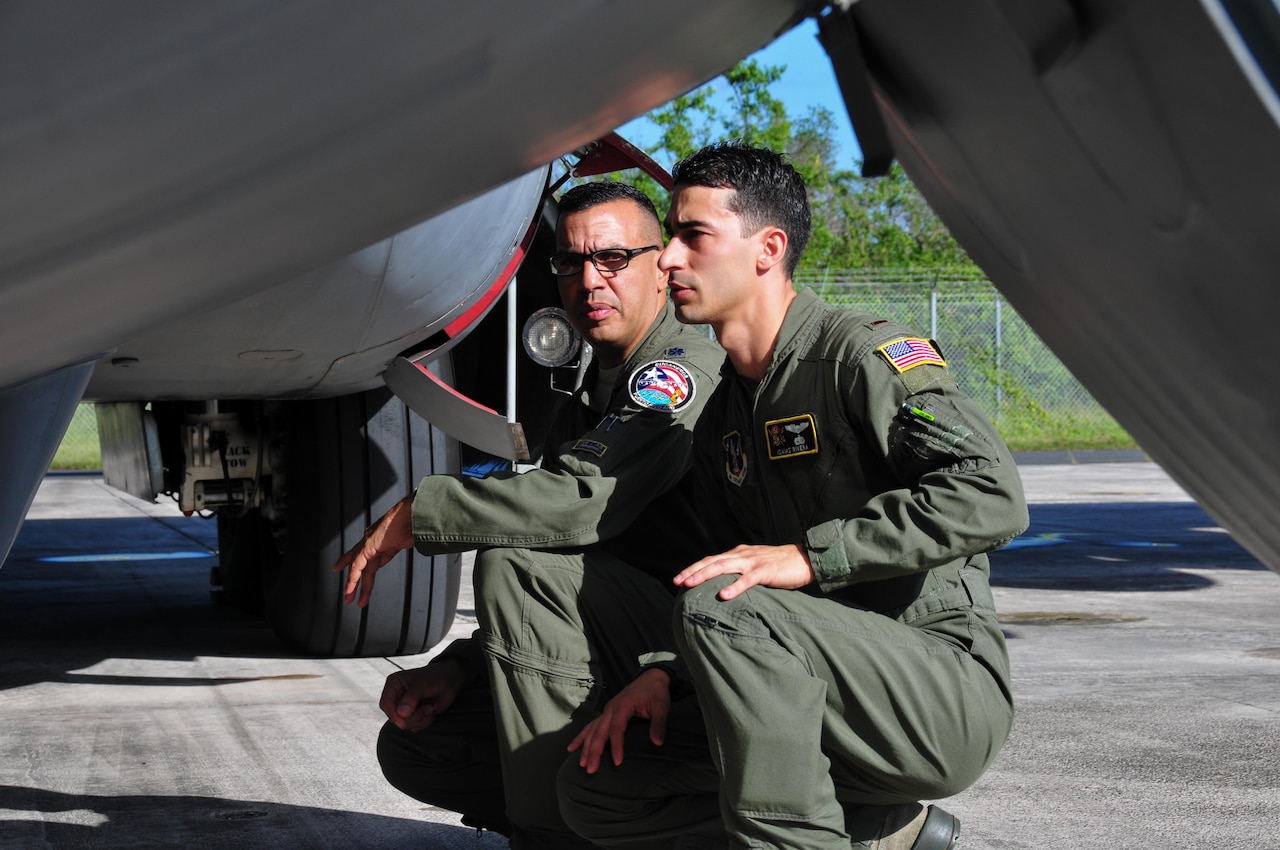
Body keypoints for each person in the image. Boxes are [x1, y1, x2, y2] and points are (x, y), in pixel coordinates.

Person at [559, 143, 1028, 850]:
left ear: (767, 248)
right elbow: (727, 582)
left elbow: (992, 493)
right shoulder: (721, 417)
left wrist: (811, 558)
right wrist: (667, 675)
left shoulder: (859, 359)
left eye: (693, 236)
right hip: (806, 685)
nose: (667, 260)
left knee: (732, 609)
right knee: (599, 787)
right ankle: (880, 832)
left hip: (936, 692)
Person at [331, 181, 724, 849]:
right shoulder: (593, 387)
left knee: (516, 565)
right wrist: (462, 667)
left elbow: (578, 501)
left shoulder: (680, 370)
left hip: (703, 653)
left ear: (662, 267)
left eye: (614, 258)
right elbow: (584, 578)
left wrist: (420, 513)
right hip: (636, 637)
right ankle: (611, 818)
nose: (588, 281)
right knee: (424, 748)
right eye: (570, 263)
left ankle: (559, 834)